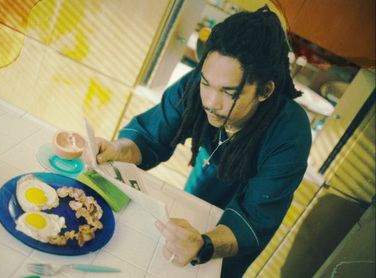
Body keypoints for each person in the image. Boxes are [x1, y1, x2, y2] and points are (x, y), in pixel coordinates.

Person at [90, 6, 312, 277]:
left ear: (264, 90)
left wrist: (205, 244)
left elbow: (255, 217)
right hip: (206, 176)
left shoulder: (290, 131)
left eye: (229, 93)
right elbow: (151, 135)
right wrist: (116, 149)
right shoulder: (196, 86)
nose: (210, 102)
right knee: (177, 249)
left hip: (249, 214)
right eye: (207, 83)